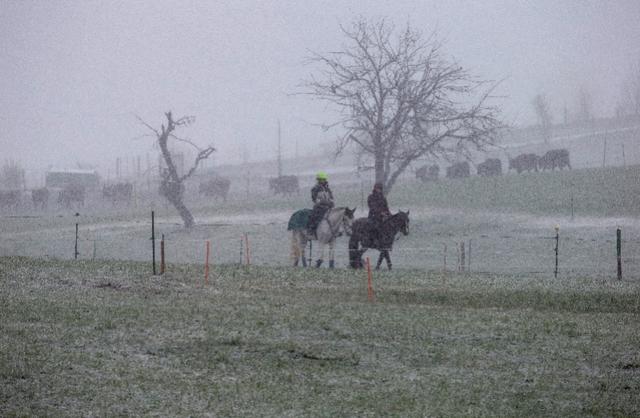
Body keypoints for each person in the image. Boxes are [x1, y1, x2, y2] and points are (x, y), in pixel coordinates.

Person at [306, 171, 334, 238]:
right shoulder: (315, 189)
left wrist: (331, 203)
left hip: (328, 207)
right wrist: (323, 203)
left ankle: (336, 231)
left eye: (324, 179)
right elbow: (315, 199)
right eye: (321, 179)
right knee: (315, 217)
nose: (323, 181)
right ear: (318, 180)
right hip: (319, 208)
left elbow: (331, 197)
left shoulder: (327, 189)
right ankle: (311, 231)